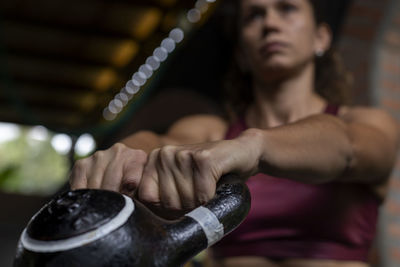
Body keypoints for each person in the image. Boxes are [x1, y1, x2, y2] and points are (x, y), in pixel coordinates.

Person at [70, 0, 400, 266]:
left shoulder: (366, 123)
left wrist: (255, 146)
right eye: (254, 16)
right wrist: (127, 151)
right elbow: (156, 145)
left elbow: (348, 147)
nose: (270, 24)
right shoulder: (213, 132)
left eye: (287, 9)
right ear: (242, 53)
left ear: (321, 38)